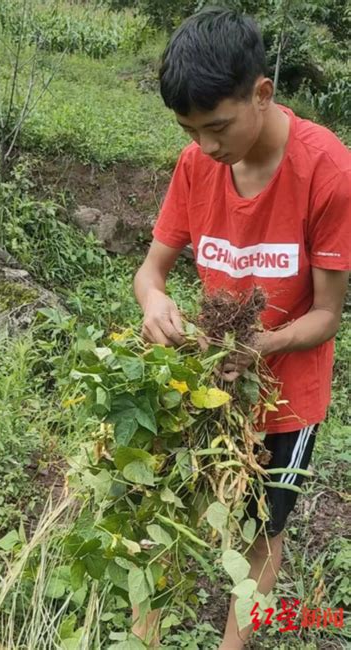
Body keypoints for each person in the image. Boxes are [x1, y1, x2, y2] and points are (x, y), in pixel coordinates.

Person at [133, 6, 350, 649]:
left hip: (285, 398)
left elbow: (326, 315)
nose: (206, 146)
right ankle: (143, 639)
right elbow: (151, 271)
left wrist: (263, 346)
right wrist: (154, 304)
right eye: (189, 129)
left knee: (261, 533)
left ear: (263, 93)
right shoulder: (195, 166)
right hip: (205, 383)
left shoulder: (329, 173)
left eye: (218, 127)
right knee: (160, 509)